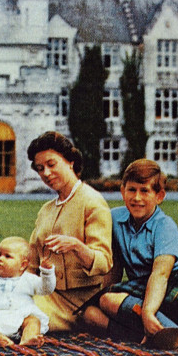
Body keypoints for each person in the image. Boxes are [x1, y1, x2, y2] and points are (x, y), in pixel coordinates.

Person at [83, 159, 178, 347]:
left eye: (145, 191)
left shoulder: (165, 226)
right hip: (143, 286)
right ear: (122, 191)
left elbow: (161, 274)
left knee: (109, 300)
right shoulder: (114, 219)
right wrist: (102, 295)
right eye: (132, 190)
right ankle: (158, 334)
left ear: (159, 196)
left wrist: (148, 311)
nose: (137, 198)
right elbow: (114, 267)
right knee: (90, 314)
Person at [26, 131, 113, 332]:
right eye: (40, 168)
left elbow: (104, 262)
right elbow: (32, 261)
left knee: (15, 314)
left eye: (51, 164)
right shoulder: (46, 209)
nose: (46, 173)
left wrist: (76, 246)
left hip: (77, 303)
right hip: (43, 292)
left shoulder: (92, 201)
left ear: (70, 162)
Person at [0, 237, 56, 347]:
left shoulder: (28, 279)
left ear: (22, 265)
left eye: (7, 256)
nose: (0, 259)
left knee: (33, 320)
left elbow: (46, 289)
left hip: (20, 316)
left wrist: (47, 273)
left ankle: (27, 338)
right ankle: (0, 339)